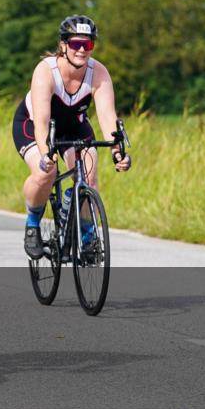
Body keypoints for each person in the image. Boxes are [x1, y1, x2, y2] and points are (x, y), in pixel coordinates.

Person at [12, 15, 132, 259]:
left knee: (89, 175)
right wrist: (46, 154)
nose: (81, 50)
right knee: (46, 173)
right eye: (76, 43)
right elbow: (42, 121)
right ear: (63, 45)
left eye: (88, 44)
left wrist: (118, 152)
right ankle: (33, 223)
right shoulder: (46, 71)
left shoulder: (98, 72)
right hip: (33, 124)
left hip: (73, 125)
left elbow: (107, 116)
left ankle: (86, 235)